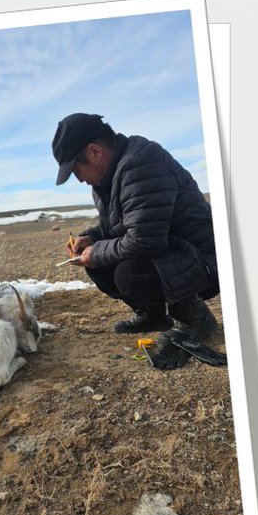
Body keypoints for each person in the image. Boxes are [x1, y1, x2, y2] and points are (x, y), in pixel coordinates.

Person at [53, 113, 219, 369]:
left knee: (129, 272)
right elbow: (116, 227)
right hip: (174, 253)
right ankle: (153, 316)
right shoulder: (107, 178)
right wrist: (91, 238)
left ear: (95, 151)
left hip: (206, 259)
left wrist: (97, 252)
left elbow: (145, 240)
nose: (80, 178)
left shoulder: (140, 164)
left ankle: (195, 319)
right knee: (104, 264)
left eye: (76, 169)